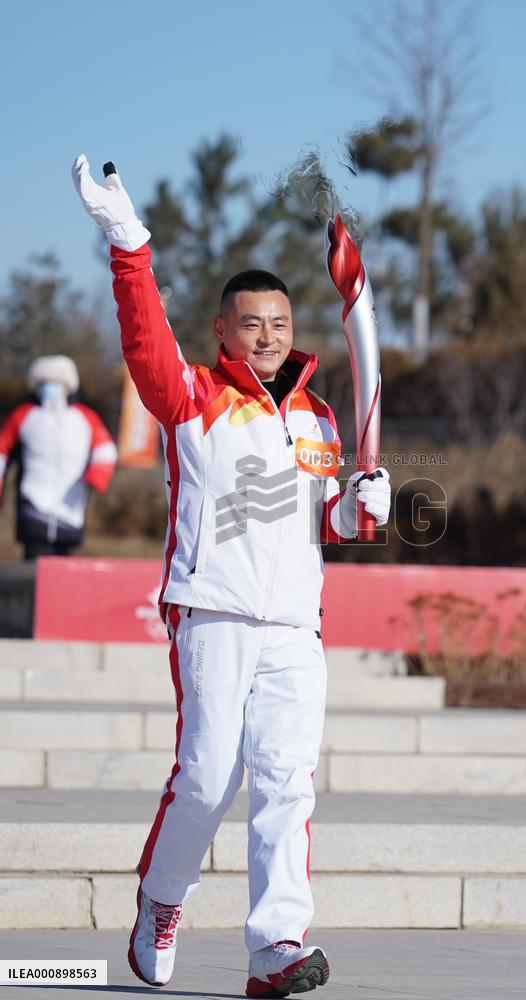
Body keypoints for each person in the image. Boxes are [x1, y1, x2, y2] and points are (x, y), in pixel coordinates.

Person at [72, 154, 391, 998]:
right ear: (223, 330)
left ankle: (275, 948)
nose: (269, 335)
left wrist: (364, 509)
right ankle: (161, 899)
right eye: (251, 322)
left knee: (287, 784)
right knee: (209, 778)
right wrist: (128, 245)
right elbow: (145, 340)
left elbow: (328, 521)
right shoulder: (191, 398)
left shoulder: (321, 417)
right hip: (210, 610)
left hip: (293, 625)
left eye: (279, 322)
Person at [0, 354, 117, 559]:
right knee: (34, 573)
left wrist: (98, 475)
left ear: (69, 385)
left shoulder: (85, 417)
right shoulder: (23, 415)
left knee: (63, 576)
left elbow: (105, 449)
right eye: (45, 382)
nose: (51, 386)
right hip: (32, 508)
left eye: (57, 382)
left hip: (71, 509)